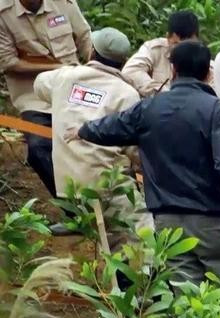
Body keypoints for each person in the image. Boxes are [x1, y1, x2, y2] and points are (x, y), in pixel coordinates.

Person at [66, 40, 220, 318]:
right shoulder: (215, 110)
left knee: (189, 307)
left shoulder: (149, 108)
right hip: (211, 224)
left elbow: (109, 128)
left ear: (173, 70)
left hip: (168, 229)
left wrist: (82, 129)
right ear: (209, 73)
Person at [33, 26, 152, 260]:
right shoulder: (127, 94)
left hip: (69, 187)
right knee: (143, 238)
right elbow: (132, 149)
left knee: (110, 236)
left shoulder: (63, 77)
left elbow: (39, 86)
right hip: (108, 186)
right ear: (124, 61)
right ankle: (141, 291)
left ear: (91, 53)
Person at [0, 0, 92, 203]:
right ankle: (76, 212)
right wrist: (57, 68)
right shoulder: (3, 13)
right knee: (38, 148)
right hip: (34, 97)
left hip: (73, 88)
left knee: (94, 139)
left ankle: (111, 205)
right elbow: (8, 62)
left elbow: (85, 38)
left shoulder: (63, 3)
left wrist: (98, 71)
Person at [121, 10, 212, 97]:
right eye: (176, 44)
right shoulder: (154, 49)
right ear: (167, 37)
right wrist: (164, 93)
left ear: (197, 40)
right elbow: (130, 72)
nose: (183, 49)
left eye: (188, 44)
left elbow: (214, 90)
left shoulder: (204, 59)